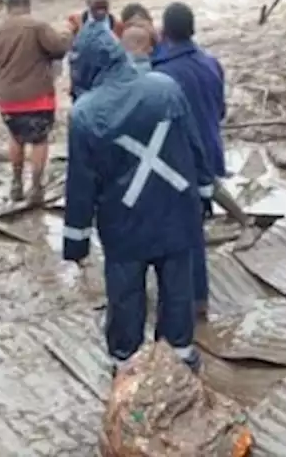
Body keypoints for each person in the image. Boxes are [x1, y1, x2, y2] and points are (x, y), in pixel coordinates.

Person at [63, 23, 215, 373]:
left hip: (124, 223)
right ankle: (178, 359)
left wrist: (76, 243)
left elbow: (81, 185)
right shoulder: (165, 88)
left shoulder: (85, 113)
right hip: (177, 211)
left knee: (126, 296)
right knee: (178, 289)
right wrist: (205, 193)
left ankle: (126, 363)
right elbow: (196, 147)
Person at [151, 2, 226, 316]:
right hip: (209, 154)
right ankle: (199, 301)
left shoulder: (161, 75)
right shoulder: (211, 64)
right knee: (195, 231)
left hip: (176, 163)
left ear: (164, 32)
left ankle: (180, 304)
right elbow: (220, 111)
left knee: (177, 234)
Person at [0, 0, 73, 202]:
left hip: (8, 101)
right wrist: (68, 34)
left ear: (8, 9)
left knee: (16, 138)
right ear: (28, 7)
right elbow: (58, 49)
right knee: (39, 140)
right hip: (38, 97)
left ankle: (16, 182)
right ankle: (36, 187)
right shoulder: (37, 26)